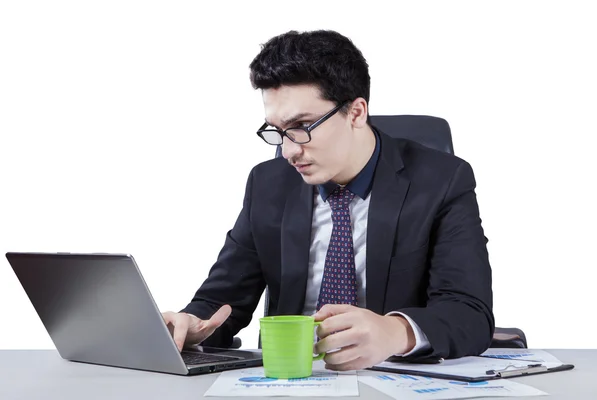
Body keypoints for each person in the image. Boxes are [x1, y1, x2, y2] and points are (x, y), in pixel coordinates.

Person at [162, 29, 494, 371]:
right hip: (289, 378)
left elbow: (469, 312)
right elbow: (220, 300)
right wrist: (189, 325)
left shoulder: (441, 180)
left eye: (302, 125)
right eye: (276, 130)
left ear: (356, 113)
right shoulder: (267, 185)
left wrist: (395, 332)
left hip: (392, 376)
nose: (288, 151)